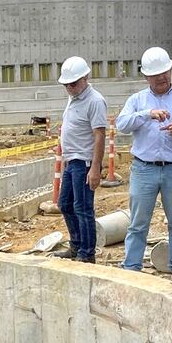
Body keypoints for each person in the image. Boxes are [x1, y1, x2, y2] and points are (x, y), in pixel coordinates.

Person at [116, 47, 172, 281]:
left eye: (165, 72)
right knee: (138, 223)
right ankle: (132, 269)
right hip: (144, 168)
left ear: (170, 69)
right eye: (156, 75)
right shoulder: (137, 101)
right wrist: (147, 114)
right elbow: (122, 124)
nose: (162, 77)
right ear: (146, 77)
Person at [55, 56, 107, 264]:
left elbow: (100, 135)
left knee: (83, 208)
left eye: (74, 83)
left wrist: (95, 169)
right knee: (65, 204)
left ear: (86, 77)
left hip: (84, 163)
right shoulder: (74, 97)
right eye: (66, 84)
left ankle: (87, 253)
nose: (70, 87)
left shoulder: (94, 101)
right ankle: (76, 245)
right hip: (71, 162)